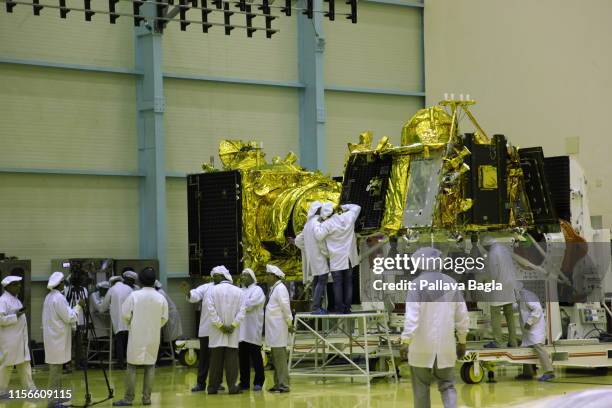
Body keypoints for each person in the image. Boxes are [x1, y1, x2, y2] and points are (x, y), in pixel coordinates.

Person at [400, 247, 469, 408]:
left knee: (421, 388)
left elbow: (412, 316)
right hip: (446, 347)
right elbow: (462, 315)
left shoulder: (416, 285)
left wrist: (406, 340)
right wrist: (462, 341)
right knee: (448, 386)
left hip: (420, 348)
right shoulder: (451, 283)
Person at [113, 267, 168, 406]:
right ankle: (147, 399)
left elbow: (125, 314)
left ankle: (128, 399)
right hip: (153, 337)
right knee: (150, 366)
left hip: (136, 336)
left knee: (131, 366)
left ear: (141, 281)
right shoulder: (161, 297)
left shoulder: (134, 296)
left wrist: (132, 323)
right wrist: (155, 326)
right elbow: (164, 318)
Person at [43, 272, 84, 408]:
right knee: (55, 373)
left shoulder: (49, 297)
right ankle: (52, 402)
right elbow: (69, 317)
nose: (64, 285)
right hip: (57, 340)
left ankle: (56, 400)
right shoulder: (58, 298)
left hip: (53, 339)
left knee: (57, 372)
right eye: (63, 283)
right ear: (59, 284)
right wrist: (79, 306)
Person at [313, 203, 361, 313]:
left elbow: (318, 236)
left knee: (337, 283)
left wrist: (317, 223)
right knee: (348, 282)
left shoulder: (327, 224)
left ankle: (339, 308)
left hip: (336, 258)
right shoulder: (348, 216)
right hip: (349, 257)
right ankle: (347, 308)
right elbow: (357, 207)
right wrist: (344, 206)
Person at [206, 266, 246, 395]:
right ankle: (232, 387)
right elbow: (242, 311)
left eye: (215, 276)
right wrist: (233, 325)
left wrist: (220, 326)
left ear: (221, 276)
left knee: (215, 361)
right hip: (232, 332)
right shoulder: (239, 291)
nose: (213, 279)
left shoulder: (212, 291)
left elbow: (211, 311)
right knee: (232, 360)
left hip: (217, 332)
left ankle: (212, 387)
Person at [181, 274, 221, 393]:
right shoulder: (206, 287)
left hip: (220, 329)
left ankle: (217, 383)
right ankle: (200, 383)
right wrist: (188, 292)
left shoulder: (226, 288)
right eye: (213, 275)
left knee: (218, 358)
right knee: (204, 358)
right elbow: (195, 295)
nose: (214, 277)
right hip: (206, 329)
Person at [0, 276, 36, 399]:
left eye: (19, 284)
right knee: (6, 366)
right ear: (8, 287)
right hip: (9, 340)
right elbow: (0, 320)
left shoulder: (16, 300)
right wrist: (15, 315)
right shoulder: (2, 300)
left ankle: (30, 390)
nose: (19, 286)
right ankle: (1, 391)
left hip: (20, 339)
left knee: (25, 363)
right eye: (16, 284)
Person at [480, 234, 518, 348]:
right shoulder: (504, 249)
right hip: (510, 284)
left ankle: (497, 342)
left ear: (487, 245)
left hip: (499, 285)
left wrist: (485, 283)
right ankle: (513, 341)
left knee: (495, 314)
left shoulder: (492, 253)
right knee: (509, 314)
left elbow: (494, 274)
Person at [295, 201, 331, 314]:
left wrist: (308, 248)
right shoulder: (316, 223)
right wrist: (327, 253)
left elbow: (297, 241)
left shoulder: (307, 224)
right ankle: (316, 307)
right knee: (322, 279)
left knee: (316, 280)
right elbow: (320, 241)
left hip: (312, 258)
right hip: (319, 257)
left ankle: (316, 307)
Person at [515, 284, 555, 381]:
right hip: (528, 331)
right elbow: (517, 307)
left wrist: (529, 322)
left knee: (539, 348)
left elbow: (537, 309)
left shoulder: (527, 295)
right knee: (525, 349)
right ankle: (528, 373)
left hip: (535, 327)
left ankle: (549, 372)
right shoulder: (521, 296)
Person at [264, 264, 294, 393]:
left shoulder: (280, 288)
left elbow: (285, 307)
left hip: (278, 329)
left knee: (280, 358)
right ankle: (278, 384)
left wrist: (290, 323)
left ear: (273, 276)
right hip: (274, 330)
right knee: (276, 358)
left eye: (267, 275)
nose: (266, 277)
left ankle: (284, 385)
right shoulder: (274, 289)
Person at [238, 268, 266, 391]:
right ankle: (244, 383)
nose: (243, 277)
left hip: (253, 328)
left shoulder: (257, 290)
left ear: (252, 277)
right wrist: (243, 305)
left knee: (256, 357)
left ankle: (259, 382)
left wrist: (240, 305)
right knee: (243, 358)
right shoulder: (239, 291)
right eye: (242, 275)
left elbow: (250, 306)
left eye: (245, 275)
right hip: (241, 330)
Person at [97, 275, 133, 369]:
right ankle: (130, 362)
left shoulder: (112, 290)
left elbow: (102, 308)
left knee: (119, 341)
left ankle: (120, 363)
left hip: (118, 321)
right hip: (130, 319)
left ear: (112, 283)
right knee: (129, 342)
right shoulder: (129, 289)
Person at [64, 274, 89, 370]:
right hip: (70, 319)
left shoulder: (84, 290)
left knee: (79, 343)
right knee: (69, 343)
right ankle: (68, 363)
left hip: (80, 319)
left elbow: (85, 304)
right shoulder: (68, 290)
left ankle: (78, 363)